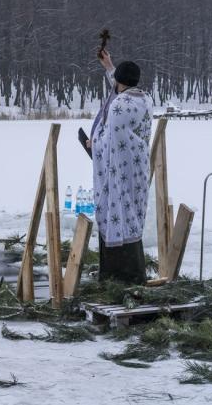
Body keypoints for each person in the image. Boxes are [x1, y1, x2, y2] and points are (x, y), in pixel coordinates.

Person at [87, 49, 152, 284]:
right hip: (138, 169)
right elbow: (121, 93)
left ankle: (116, 277)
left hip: (117, 172)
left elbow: (111, 140)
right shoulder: (144, 99)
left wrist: (91, 142)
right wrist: (110, 68)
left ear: (119, 81)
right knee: (132, 215)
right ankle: (134, 275)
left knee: (114, 214)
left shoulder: (119, 106)